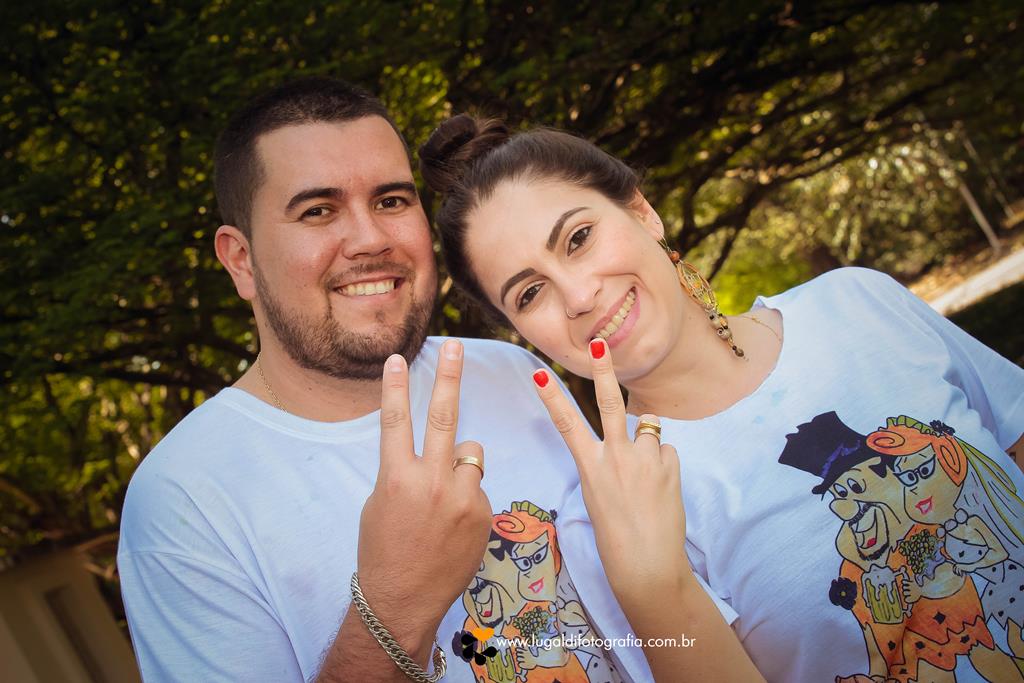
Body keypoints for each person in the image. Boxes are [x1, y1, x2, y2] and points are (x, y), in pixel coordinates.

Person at [418, 113, 1024, 683]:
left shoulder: (859, 303)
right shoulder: (602, 519)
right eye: (529, 294)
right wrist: (653, 584)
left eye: (578, 238)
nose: (578, 295)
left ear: (642, 211)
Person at [116, 79, 629, 683]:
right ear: (241, 261)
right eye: (318, 211)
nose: (370, 240)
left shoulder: (511, 372)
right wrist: (394, 601)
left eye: (390, 201)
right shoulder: (184, 500)